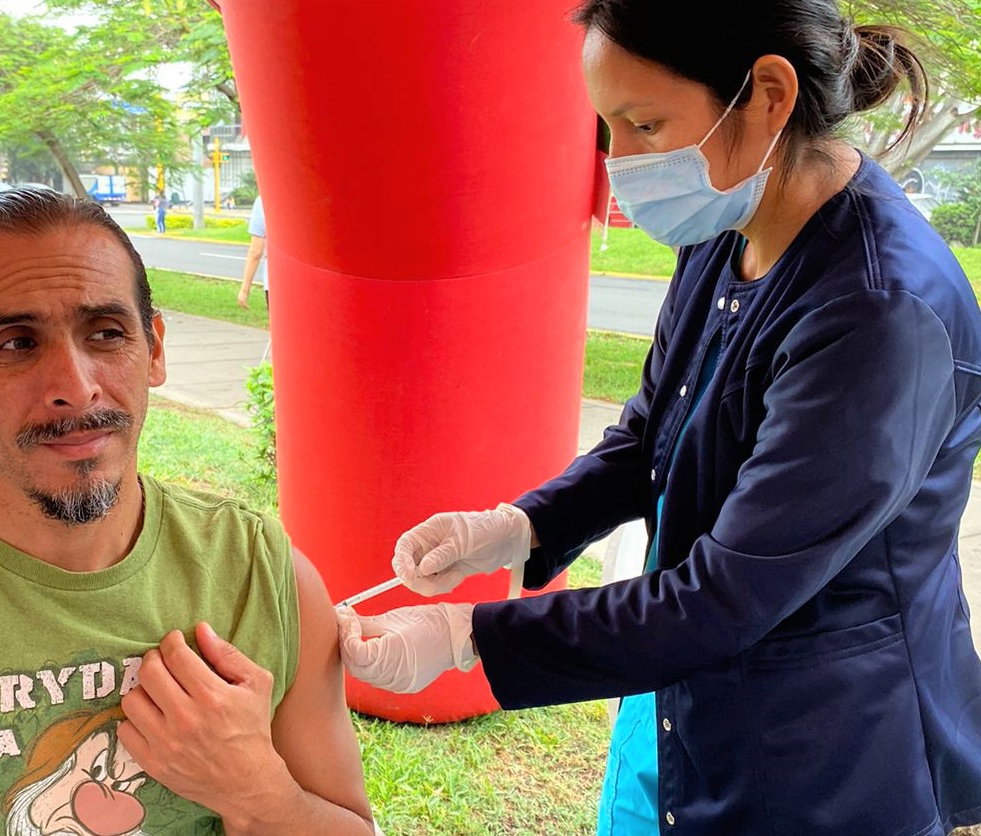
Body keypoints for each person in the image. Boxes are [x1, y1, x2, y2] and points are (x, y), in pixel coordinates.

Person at [337, 2, 981, 835]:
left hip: (827, 743)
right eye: (607, 127)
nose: (620, 161)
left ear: (768, 96)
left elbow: (725, 597)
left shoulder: (876, 312)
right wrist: (520, 527)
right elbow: (649, 433)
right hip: (690, 682)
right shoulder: (725, 226)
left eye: (643, 123)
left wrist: (467, 637)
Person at [0, 188, 374, 835]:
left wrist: (256, 792)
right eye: (15, 344)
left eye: (106, 333)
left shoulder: (260, 575)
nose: (76, 384)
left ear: (152, 351)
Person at [237, 195, 268, 310]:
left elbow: (255, 252)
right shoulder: (304, 194)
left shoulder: (263, 200)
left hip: (276, 280)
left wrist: (245, 289)